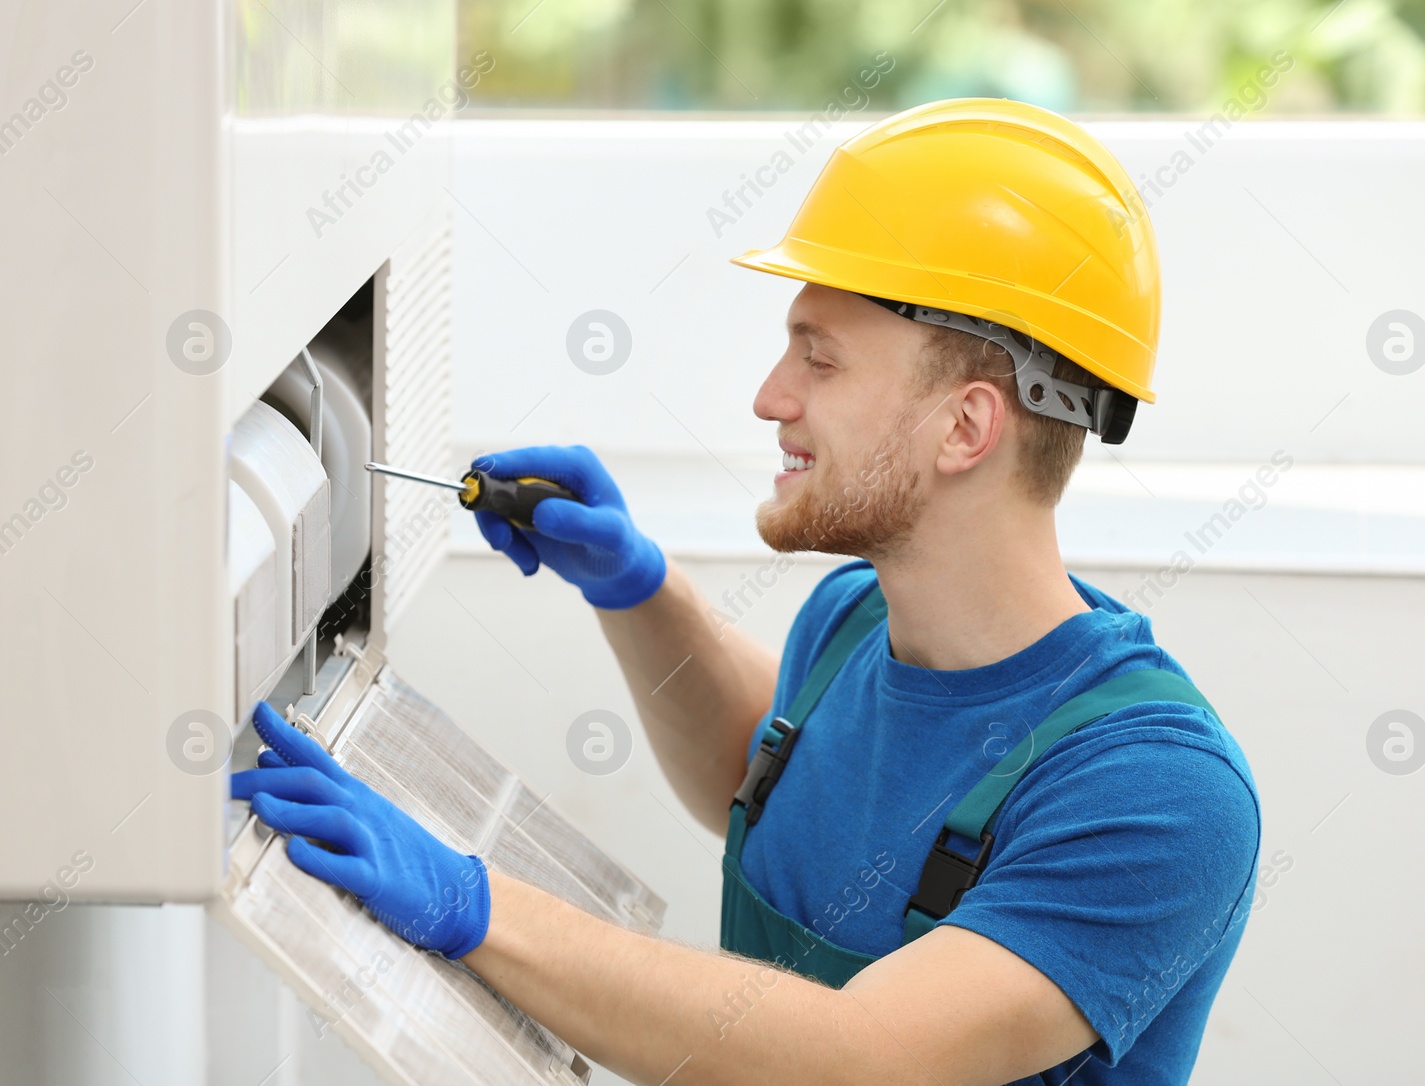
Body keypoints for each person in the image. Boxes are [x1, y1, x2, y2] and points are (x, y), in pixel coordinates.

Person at [233, 98, 1261, 1085]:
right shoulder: (854, 624)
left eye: (820, 360)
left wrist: (474, 904)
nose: (771, 397)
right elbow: (759, 769)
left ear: (965, 428)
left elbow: (866, 1055)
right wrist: (635, 590)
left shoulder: (1157, 795)